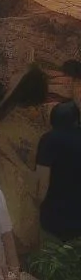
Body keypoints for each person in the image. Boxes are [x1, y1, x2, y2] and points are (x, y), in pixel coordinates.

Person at [36, 100, 81, 243]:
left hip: (55, 215)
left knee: (54, 259)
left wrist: (37, 203)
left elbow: (43, 181)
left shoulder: (49, 140)